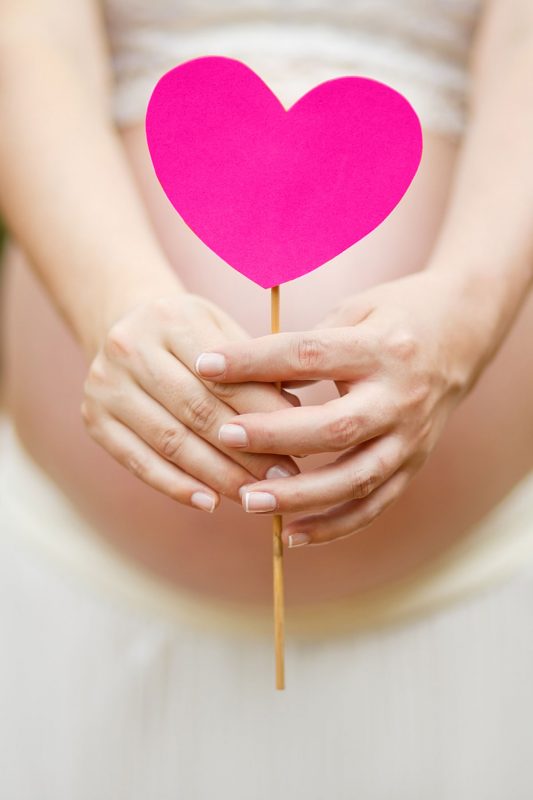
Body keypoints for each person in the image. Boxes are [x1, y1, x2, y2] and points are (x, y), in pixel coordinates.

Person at [0, 0, 532, 797]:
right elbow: (28, 36)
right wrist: (111, 300)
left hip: (476, 586)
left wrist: (470, 306)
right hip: (79, 585)